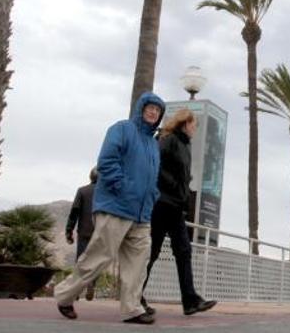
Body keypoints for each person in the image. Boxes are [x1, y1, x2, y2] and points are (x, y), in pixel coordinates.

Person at [55, 92, 166, 325]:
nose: (153, 112)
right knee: (100, 256)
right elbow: (106, 160)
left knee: (138, 263)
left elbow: (152, 177)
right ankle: (64, 295)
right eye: (150, 107)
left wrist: (153, 194)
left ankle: (132, 309)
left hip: (142, 213)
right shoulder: (122, 129)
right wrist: (123, 188)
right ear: (141, 108)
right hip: (116, 206)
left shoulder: (153, 144)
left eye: (158, 110)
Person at [141, 108, 217, 316]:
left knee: (183, 251)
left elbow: (180, 174)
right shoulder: (169, 139)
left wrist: (184, 190)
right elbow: (154, 164)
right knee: (153, 251)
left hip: (175, 206)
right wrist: (173, 184)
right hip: (162, 204)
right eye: (194, 124)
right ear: (184, 122)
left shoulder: (185, 144)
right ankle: (135, 295)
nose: (195, 128)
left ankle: (190, 300)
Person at [65, 166, 98, 301]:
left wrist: (69, 230)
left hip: (84, 232)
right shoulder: (106, 192)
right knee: (97, 260)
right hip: (99, 232)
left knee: (81, 261)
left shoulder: (82, 191)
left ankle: (76, 290)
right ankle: (92, 283)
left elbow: (74, 212)